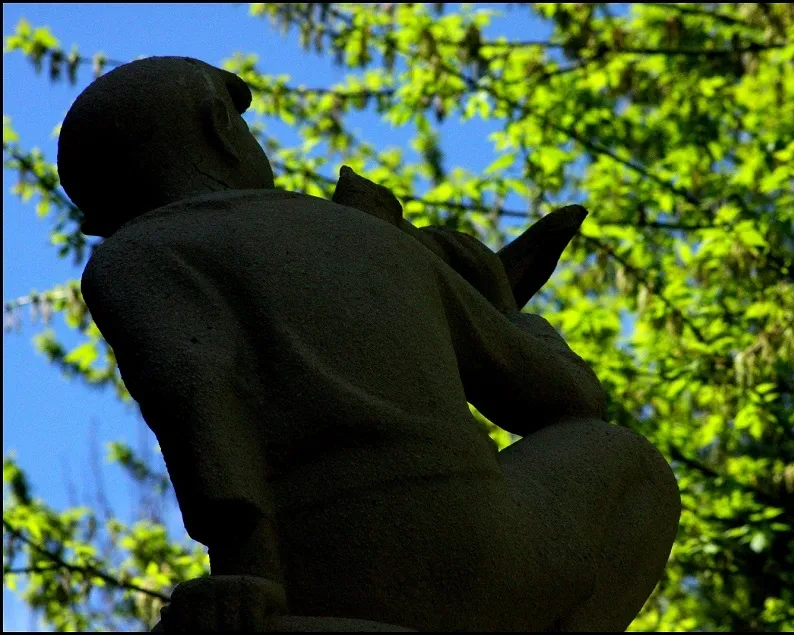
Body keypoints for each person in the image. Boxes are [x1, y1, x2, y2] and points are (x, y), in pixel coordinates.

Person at [62, 56, 680, 632]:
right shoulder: (375, 238)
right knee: (621, 456)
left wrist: (249, 570)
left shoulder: (133, 257)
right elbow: (567, 398)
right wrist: (499, 305)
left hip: (324, 567)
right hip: (485, 550)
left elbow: (194, 382)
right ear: (220, 129)